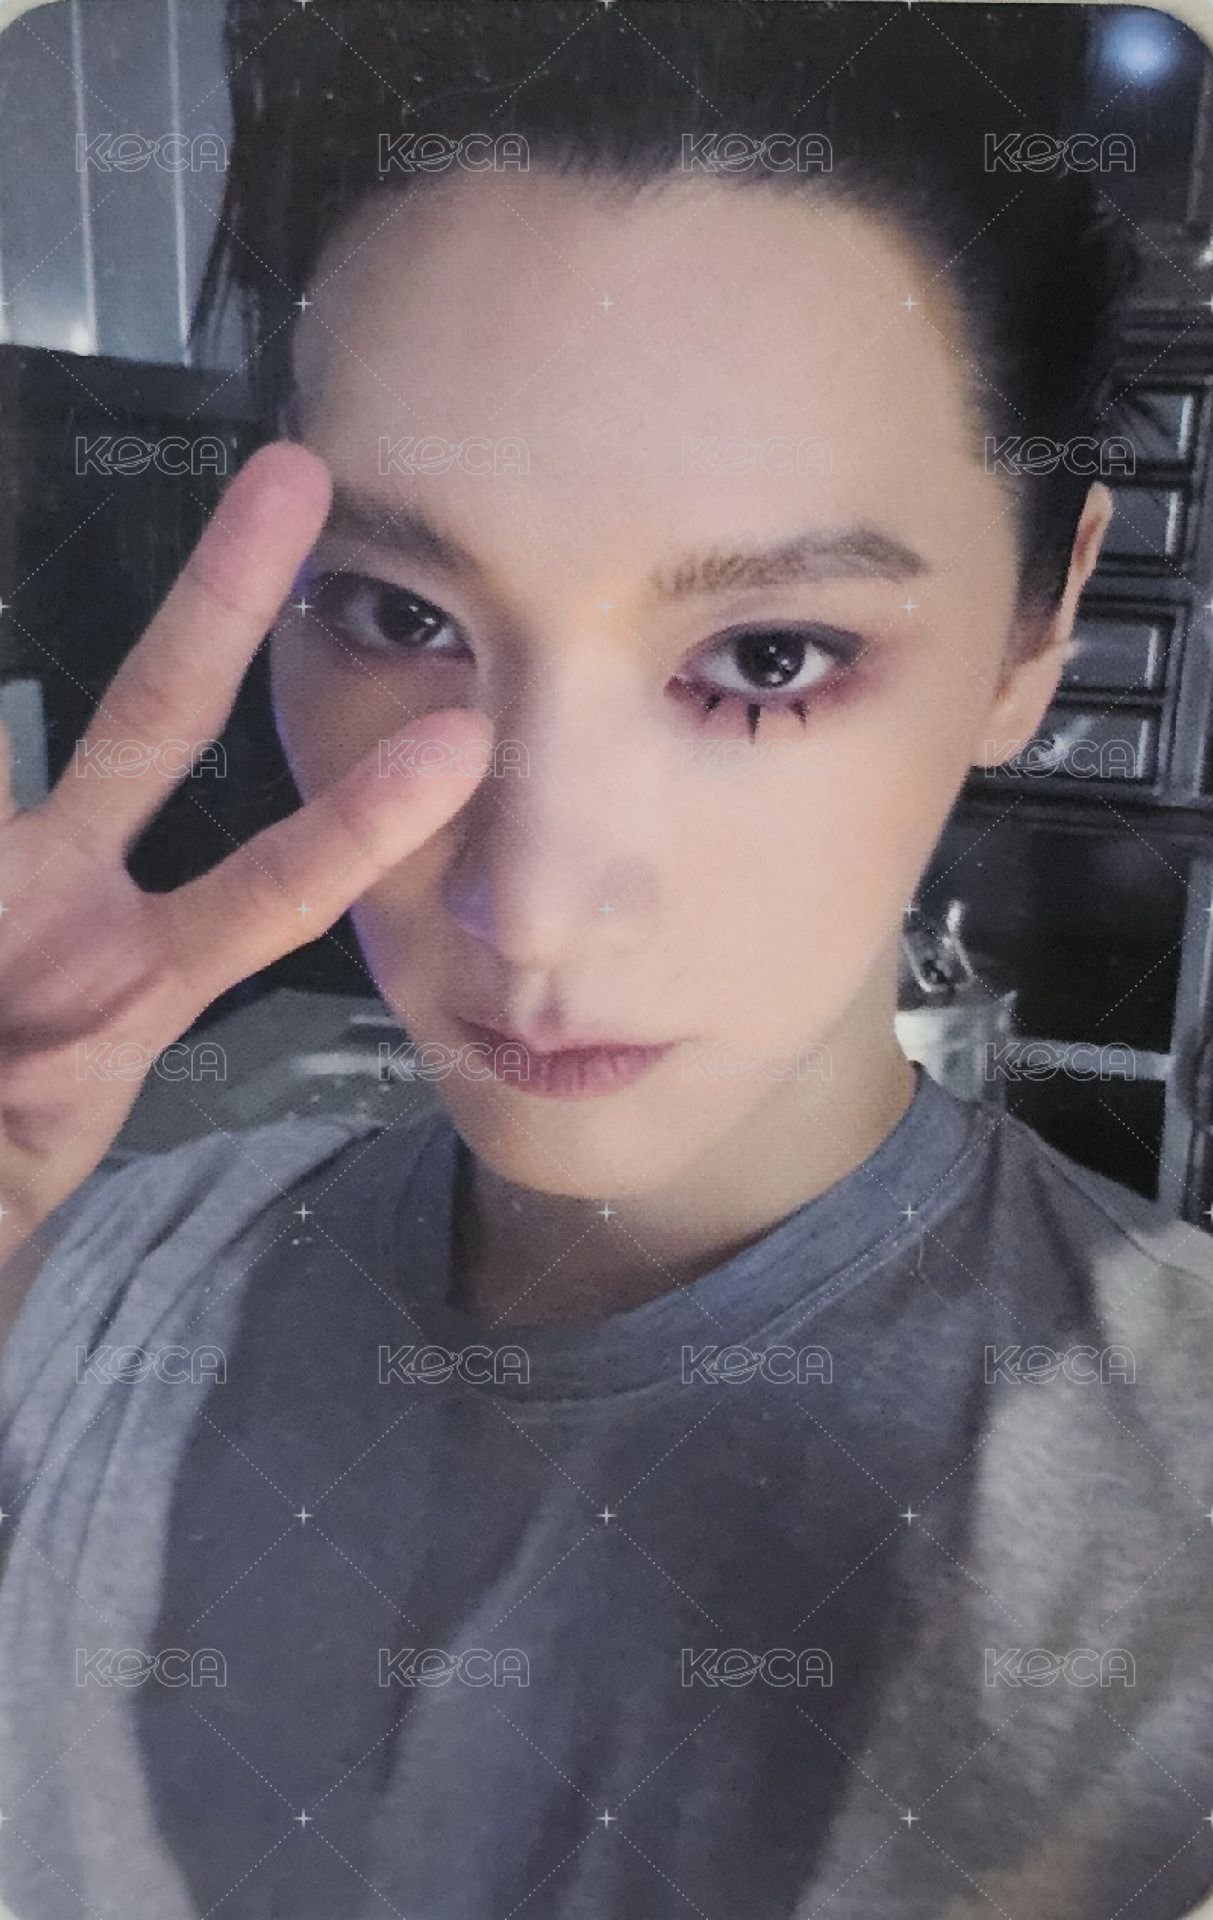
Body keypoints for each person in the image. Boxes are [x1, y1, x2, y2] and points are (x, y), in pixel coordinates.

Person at [2, 3, 1212, 1917]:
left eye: (768, 658)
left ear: (1035, 623)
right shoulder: (86, 1281)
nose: (530, 906)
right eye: (395, 611)